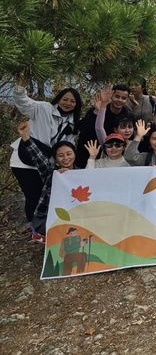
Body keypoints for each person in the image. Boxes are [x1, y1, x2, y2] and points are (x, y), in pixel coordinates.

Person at [10, 81, 82, 233]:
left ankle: (44, 223)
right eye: (65, 99)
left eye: (72, 101)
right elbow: (22, 102)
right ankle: (33, 225)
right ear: (59, 99)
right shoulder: (43, 108)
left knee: (45, 193)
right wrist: (20, 88)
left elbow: (67, 146)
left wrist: (66, 165)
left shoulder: (72, 122)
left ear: (77, 104)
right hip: (25, 159)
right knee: (33, 193)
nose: (68, 103)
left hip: (45, 162)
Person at [17, 121, 77, 239]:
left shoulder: (82, 173)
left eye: (69, 154)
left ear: (75, 154)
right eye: (60, 155)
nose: (66, 158)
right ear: (55, 159)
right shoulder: (51, 172)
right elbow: (38, 157)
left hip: (75, 217)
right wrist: (25, 136)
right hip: (50, 218)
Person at [77, 84, 132, 167]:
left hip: (115, 154)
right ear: (111, 96)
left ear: (127, 100)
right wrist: (97, 112)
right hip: (90, 152)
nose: (120, 100)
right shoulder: (98, 109)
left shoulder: (127, 115)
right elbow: (87, 128)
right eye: (117, 96)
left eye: (123, 98)